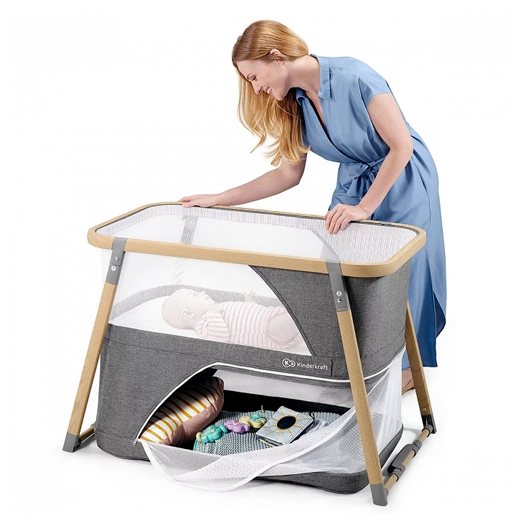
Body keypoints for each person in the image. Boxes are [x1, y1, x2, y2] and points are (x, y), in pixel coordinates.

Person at [180, 20, 447, 393]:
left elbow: (401, 146)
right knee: (339, 267)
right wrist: (220, 198)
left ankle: (407, 370)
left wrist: (364, 208)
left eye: (254, 77)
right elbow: (287, 175)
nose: (255, 88)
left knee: (405, 271)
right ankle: (352, 357)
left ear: (276, 57)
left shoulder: (356, 78)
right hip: (354, 182)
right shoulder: (294, 103)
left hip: (403, 178)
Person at [162, 288, 305, 353]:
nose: (202, 292)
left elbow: (244, 316)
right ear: (188, 314)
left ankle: (308, 318)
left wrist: (251, 304)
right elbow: (221, 337)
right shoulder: (204, 325)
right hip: (268, 331)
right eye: (195, 294)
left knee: (296, 317)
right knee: (297, 320)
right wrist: (213, 314)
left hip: (268, 315)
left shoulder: (215, 309)